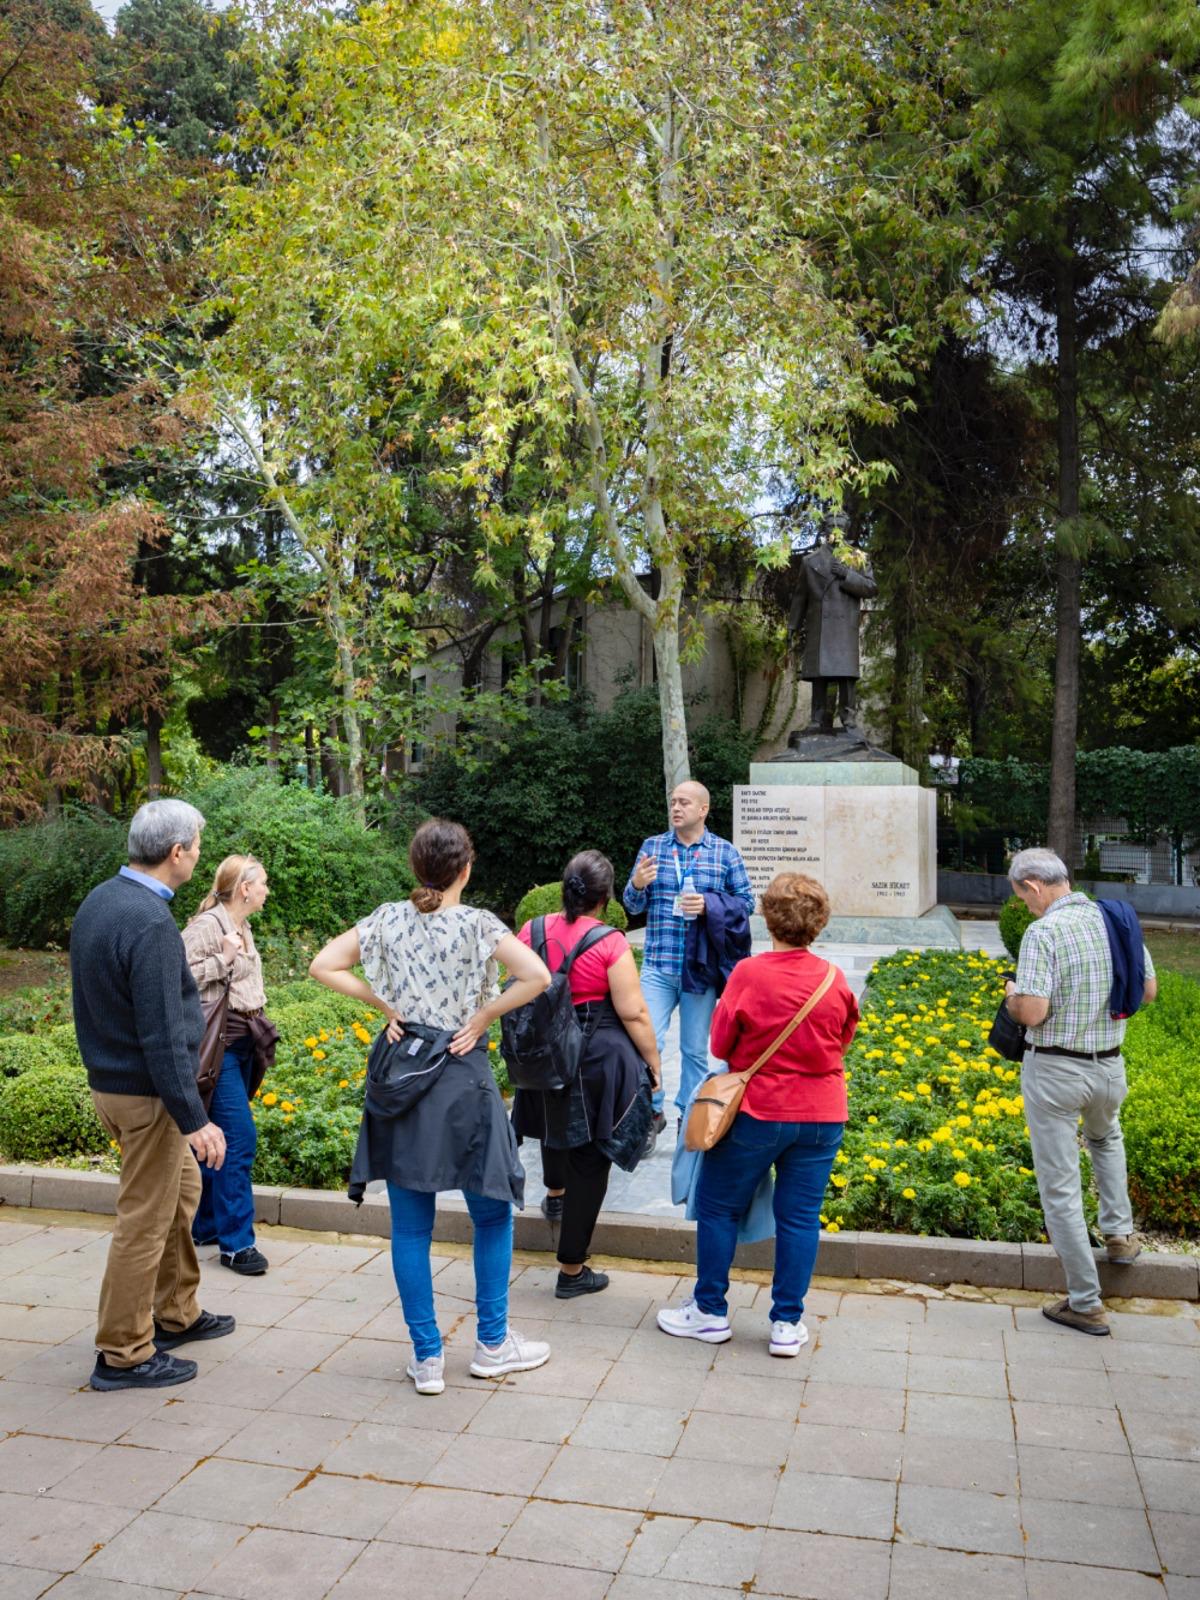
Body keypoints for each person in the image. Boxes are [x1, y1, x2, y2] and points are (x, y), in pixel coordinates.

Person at [310, 818, 553, 1396]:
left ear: (417, 868)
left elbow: (322, 964)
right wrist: (485, 1014)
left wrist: (382, 1002)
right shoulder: (478, 925)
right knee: (491, 1212)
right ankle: (492, 1344)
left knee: (410, 1226)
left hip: (404, 1071)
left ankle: (428, 1358)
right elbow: (538, 975)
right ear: (465, 869)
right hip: (462, 1073)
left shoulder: (387, 918)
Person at [70, 799, 233, 1392]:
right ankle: (124, 1352)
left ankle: (176, 1313)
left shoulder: (101, 901)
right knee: (144, 1220)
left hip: (114, 1087)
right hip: (148, 1098)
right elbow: (163, 1037)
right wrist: (195, 1120)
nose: (198, 853)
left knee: (181, 1195)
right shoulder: (148, 923)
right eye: (196, 844)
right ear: (177, 853)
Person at [656, 873, 857, 1355]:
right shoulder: (834, 978)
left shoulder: (749, 974)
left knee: (719, 1206)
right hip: (822, 1114)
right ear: (819, 923)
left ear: (766, 917)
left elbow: (721, 1044)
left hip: (758, 1112)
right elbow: (843, 1040)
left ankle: (709, 1312)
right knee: (801, 1218)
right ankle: (787, 1323)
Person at [1004, 847, 1157, 1336]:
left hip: (1056, 1072)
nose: (1026, 907)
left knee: (1061, 1185)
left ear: (1033, 886)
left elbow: (1032, 1013)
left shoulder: (1044, 931)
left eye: (1023, 897)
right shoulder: (1116, 920)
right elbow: (1147, 991)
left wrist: (1010, 996)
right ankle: (1120, 1236)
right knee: (1106, 1139)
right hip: (1110, 1068)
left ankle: (1086, 1302)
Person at [512, 851, 661, 1298]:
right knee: (590, 1158)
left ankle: (555, 1196)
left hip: (541, 1052)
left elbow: (516, 984)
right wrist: (653, 1063)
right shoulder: (610, 941)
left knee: (552, 1125)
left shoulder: (531, 930)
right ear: (605, 897)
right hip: (592, 1055)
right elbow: (633, 1012)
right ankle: (572, 1271)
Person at [622, 780, 755, 1145]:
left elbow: (747, 903)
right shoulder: (653, 848)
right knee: (646, 1042)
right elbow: (632, 907)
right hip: (659, 964)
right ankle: (652, 1110)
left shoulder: (724, 853)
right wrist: (635, 884)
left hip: (700, 968)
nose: (676, 808)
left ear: (703, 810)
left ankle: (690, 1116)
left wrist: (710, 904)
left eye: (684, 802)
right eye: (673, 802)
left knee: (695, 1050)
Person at [182, 855, 273, 1277]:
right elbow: (176, 976)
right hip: (217, 1050)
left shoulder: (241, 925)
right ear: (244, 888)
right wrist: (222, 958)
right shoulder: (206, 927)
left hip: (241, 1047)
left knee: (216, 1141)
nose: (267, 890)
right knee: (238, 1139)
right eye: (263, 884)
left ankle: (205, 1227)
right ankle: (237, 1246)